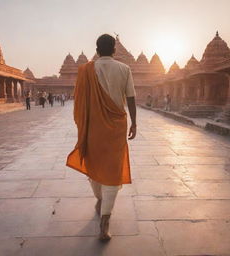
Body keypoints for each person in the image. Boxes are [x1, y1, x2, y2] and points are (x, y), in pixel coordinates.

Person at [66, 34, 136, 241]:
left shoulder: (86, 70)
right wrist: (135, 123)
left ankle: (99, 198)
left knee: (94, 162)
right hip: (116, 127)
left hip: (93, 126)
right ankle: (105, 223)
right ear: (114, 49)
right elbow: (131, 98)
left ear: (96, 49)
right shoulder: (124, 69)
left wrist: (82, 123)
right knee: (113, 170)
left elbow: (78, 101)